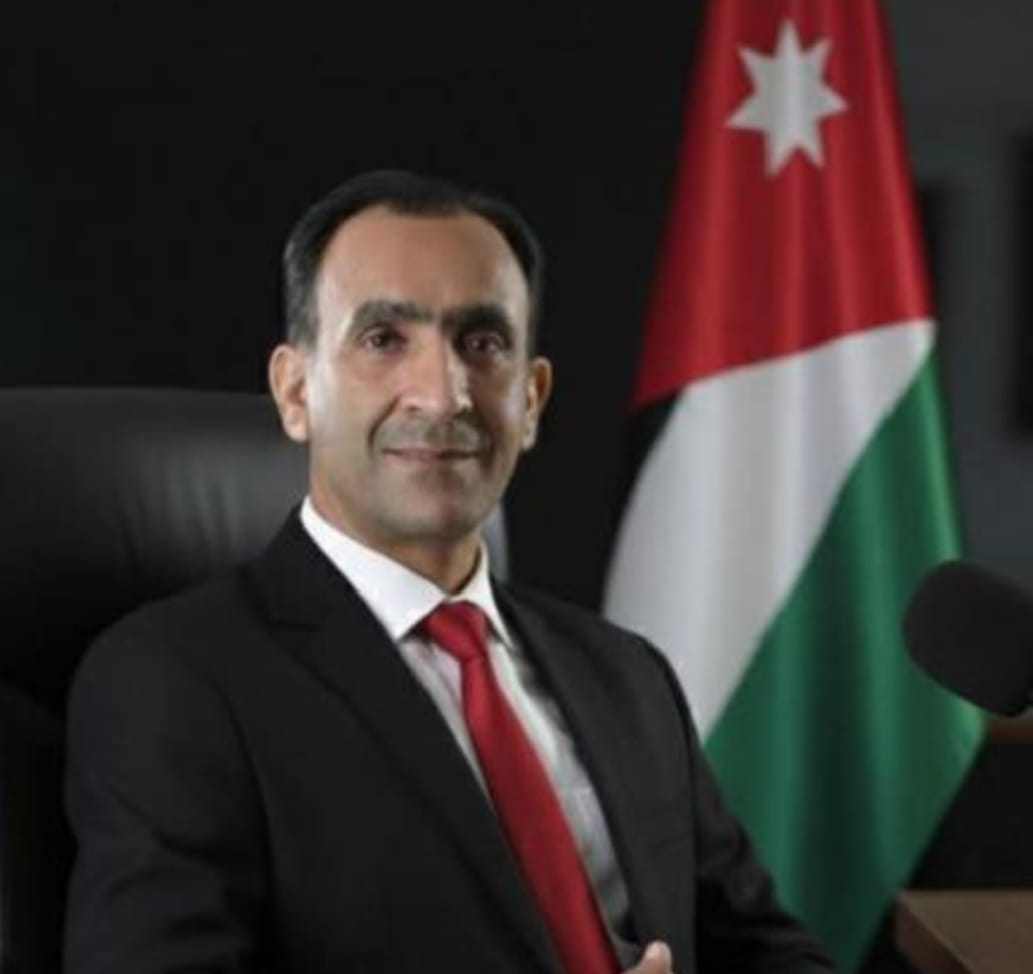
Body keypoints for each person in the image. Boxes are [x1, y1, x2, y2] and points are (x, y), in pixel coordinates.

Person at [64, 170, 839, 974]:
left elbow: (766, 951)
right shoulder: (174, 680)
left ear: (531, 400)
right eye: (382, 339)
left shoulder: (625, 674)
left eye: (482, 342)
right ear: (295, 393)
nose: (442, 395)